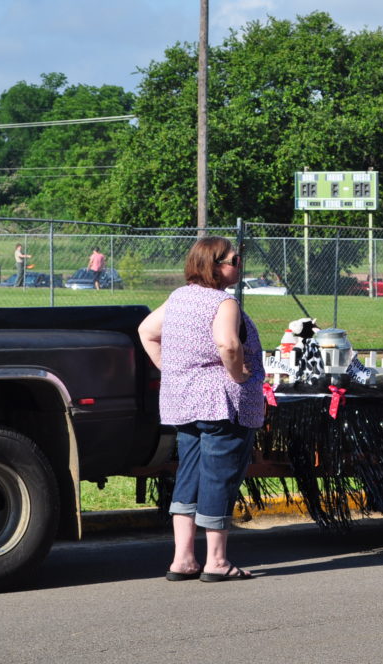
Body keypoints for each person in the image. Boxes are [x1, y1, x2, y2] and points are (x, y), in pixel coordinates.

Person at [138, 236, 265, 582]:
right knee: (219, 476)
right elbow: (227, 343)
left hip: (183, 401)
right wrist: (238, 374)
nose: (239, 265)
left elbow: (146, 331)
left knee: (189, 476)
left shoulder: (178, 298)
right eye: (234, 260)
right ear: (216, 266)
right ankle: (217, 561)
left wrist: (173, 368)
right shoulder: (224, 303)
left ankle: (182, 559)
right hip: (220, 403)